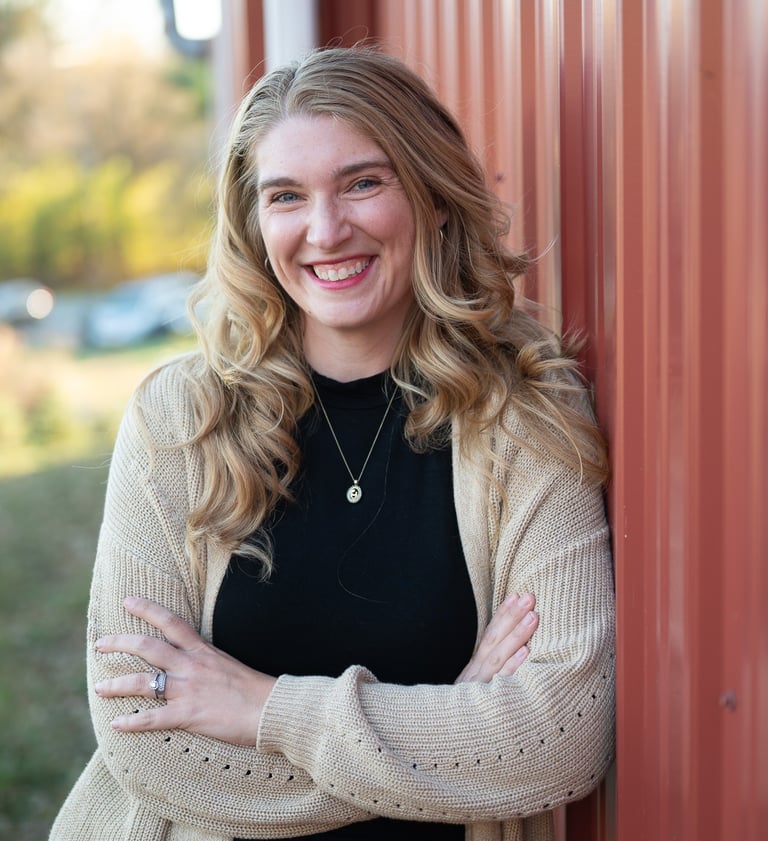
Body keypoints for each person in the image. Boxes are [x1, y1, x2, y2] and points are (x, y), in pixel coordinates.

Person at [51, 45, 614, 841]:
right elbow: (150, 743)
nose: (325, 229)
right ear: (254, 221)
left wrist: (261, 708)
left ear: (435, 196)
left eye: (363, 182)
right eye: (286, 196)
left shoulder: (523, 411)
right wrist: (448, 737)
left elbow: (561, 738)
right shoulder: (180, 419)